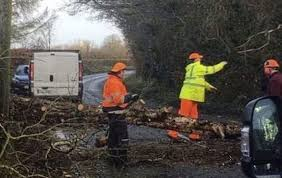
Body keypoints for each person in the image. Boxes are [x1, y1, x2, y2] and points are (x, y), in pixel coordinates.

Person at [102, 62, 139, 167]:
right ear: (118, 72)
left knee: (113, 135)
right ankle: (121, 161)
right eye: (123, 71)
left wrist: (130, 96)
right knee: (122, 137)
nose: (124, 73)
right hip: (116, 111)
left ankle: (113, 159)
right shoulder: (115, 82)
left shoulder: (114, 81)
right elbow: (118, 100)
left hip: (113, 110)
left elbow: (120, 96)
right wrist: (130, 97)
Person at [179, 52, 228, 121]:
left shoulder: (190, 69)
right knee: (184, 115)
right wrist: (222, 64)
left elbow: (199, 81)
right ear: (196, 60)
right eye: (199, 58)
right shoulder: (198, 67)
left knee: (192, 115)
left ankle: (194, 132)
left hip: (190, 95)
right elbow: (212, 69)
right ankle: (173, 132)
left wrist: (210, 87)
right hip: (191, 94)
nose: (200, 60)